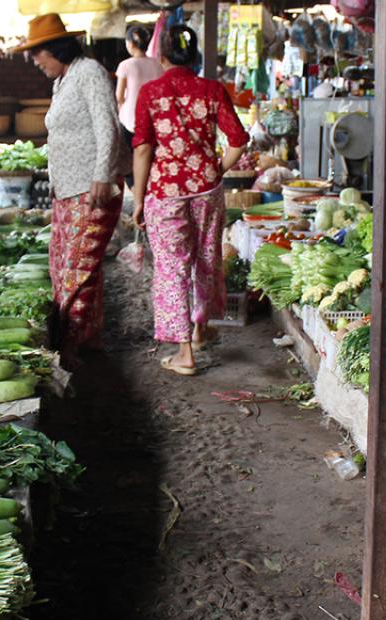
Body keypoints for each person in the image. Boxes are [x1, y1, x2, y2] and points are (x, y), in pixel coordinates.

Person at [132, 25, 248, 376]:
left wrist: (138, 199)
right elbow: (239, 140)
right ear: (194, 57)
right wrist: (217, 170)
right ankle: (200, 329)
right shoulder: (212, 90)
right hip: (206, 191)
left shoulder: (151, 92)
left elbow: (142, 149)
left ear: (162, 57)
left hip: (166, 194)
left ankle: (184, 352)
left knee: (172, 268)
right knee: (206, 259)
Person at [15, 14, 127, 369]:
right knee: (63, 265)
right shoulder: (63, 80)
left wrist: (102, 175)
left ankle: (68, 346)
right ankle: (88, 339)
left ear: (56, 48)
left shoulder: (89, 72)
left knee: (76, 268)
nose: (35, 61)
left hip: (91, 187)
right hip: (66, 190)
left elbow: (107, 125)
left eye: (38, 53)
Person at [115, 27, 162, 148]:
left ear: (130, 44)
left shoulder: (125, 65)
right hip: (154, 117)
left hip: (131, 119)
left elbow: (119, 97)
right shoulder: (157, 64)